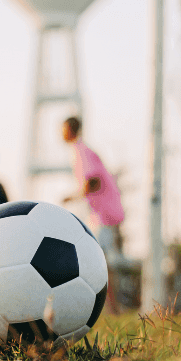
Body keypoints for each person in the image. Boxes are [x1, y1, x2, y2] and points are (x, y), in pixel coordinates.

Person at [61, 116, 124, 313]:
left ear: (70, 130)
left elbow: (93, 180)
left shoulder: (81, 151)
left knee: (96, 262)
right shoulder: (80, 151)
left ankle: (110, 308)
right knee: (100, 262)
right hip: (101, 215)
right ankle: (111, 308)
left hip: (103, 216)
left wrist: (73, 196)